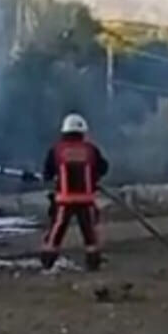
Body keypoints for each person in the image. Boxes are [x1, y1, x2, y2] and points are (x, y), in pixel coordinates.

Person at [40, 113, 109, 271]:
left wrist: (50, 176)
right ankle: (93, 264)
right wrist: (94, 176)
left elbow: (47, 173)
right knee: (90, 233)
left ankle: (47, 263)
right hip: (86, 200)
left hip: (64, 201)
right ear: (82, 132)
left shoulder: (56, 150)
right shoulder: (91, 150)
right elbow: (104, 168)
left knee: (56, 231)